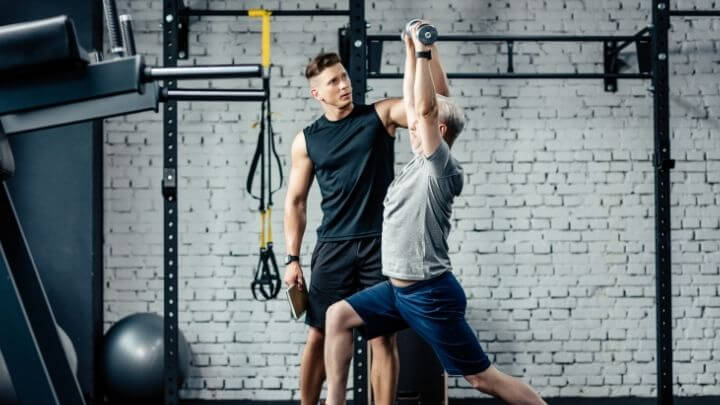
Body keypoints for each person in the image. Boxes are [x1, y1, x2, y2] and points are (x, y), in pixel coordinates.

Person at [323, 24, 548, 405]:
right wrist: (413, 50)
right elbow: (425, 100)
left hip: (429, 293)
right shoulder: (419, 160)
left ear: (438, 131)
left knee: (481, 379)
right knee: (337, 317)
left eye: (420, 124)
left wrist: (425, 53)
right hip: (397, 290)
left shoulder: (440, 168)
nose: (410, 121)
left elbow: (427, 108)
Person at [282, 31, 451, 405]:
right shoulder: (307, 140)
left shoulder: (380, 115)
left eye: (344, 77)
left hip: (380, 246)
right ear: (317, 93)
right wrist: (292, 259)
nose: (344, 85)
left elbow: (433, 108)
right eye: (334, 81)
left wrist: (425, 52)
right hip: (333, 248)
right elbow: (295, 202)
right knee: (320, 334)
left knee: (383, 337)